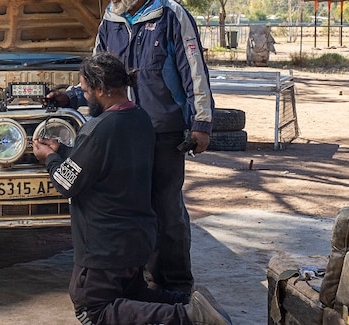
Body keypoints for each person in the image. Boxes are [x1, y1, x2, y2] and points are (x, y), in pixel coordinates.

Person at [50, 0, 215, 293]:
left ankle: (175, 284)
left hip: (161, 133)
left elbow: (195, 73)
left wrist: (201, 123)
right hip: (121, 133)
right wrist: (71, 95)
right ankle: (137, 280)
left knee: (166, 209)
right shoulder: (109, 22)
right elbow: (97, 72)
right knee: (129, 209)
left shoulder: (171, 16)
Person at [33, 52, 230, 325]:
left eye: (86, 90)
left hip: (104, 246)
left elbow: (67, 183)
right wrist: (65, 150)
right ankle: (187, 303)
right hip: (136, 239)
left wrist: (50, 158)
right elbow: (100, 162)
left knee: (93, 310)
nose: (85, 97)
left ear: (101, 89)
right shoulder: (140, 118)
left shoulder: (99, 129)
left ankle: (189, 315)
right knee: (133, 295)